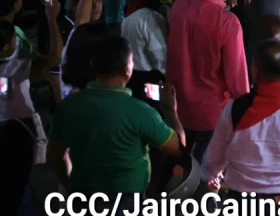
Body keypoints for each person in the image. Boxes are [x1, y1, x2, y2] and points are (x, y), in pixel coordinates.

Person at [48, 37, 185, 211]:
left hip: (81, 197)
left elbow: (56, 154)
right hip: (125, 202)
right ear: (128, 68)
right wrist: (170, 111)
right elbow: (178, 148)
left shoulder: (68, 106)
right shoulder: (140, 112)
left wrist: (69, 185)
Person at [202, 39, 280, 216]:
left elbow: (215, 156)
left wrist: (211, 176)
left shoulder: (234, 109)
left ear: (254, 70)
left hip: (241, 202)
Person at [166, 0, 250, 162]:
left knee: (183, 171)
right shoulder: (228, 22)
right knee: (209, 177)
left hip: (178, 107)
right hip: (212, 113)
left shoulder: (179, 7)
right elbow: (237, 79)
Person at [1, 0, 62, 214]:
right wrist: (52, 19)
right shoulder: (20, 70)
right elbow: (55, 57)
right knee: (20, 187)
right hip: (16, 131)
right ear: (9, 46)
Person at [122, 0, 169, 97]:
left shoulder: (127, 17)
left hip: (131, 81)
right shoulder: (151, 18)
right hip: (151, 84)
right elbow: (161, 58)